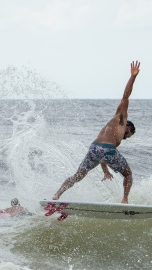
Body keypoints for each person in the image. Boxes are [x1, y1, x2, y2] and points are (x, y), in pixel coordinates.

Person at [53, 60, 140, 204]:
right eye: (128, 135)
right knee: (128, 174)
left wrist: (105, 171)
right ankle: (125, 200)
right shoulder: (121, 118)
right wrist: (133, 77)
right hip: (106, 150)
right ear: (128, 128)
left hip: (94, 148)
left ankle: (57, 195)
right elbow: (126, 96)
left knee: (78, 176)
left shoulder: (110, 129)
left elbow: (101, 153)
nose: (126, 138)